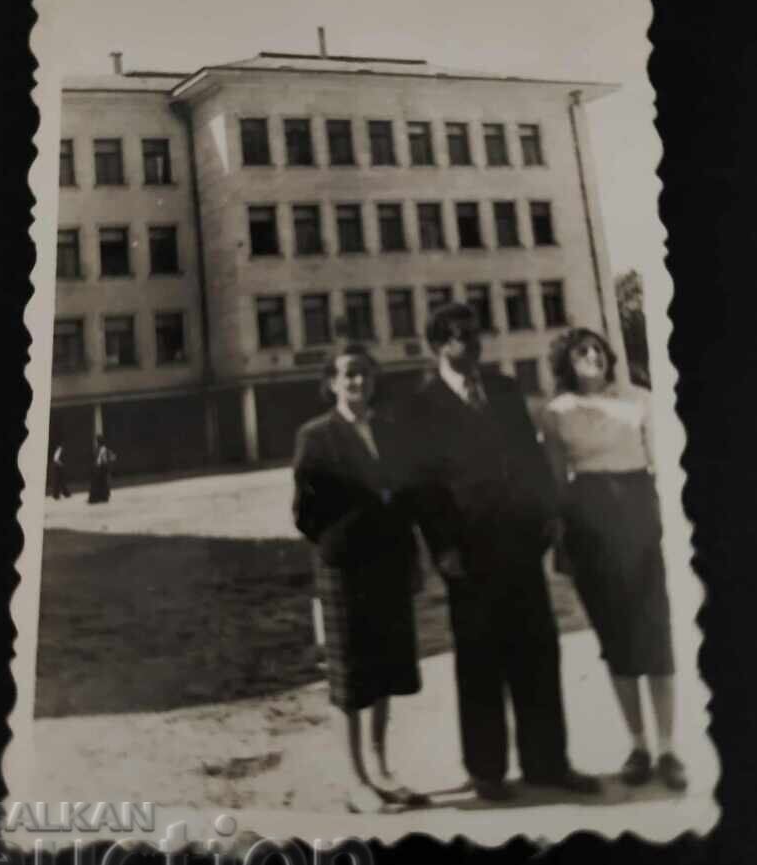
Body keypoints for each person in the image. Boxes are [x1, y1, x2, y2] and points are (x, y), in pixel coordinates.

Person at [408, 303, 600, 803]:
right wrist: (443, 546)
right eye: (456, 337)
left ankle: (548, 763)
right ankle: (487, 771)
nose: (469, 345)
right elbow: (424, 487)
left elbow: (532, 459)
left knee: (537, 651)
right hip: (467, 554)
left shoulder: (504, 389)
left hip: (519, 543)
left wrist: (550, 516)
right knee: (479, 660)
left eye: (473, 335)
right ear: (437, 346)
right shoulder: (421, 406)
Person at [539, 327, 687, 792]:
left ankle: (667, 749)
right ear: (567, 361)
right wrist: (563, 539)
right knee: (617, 637)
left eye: (598, 350)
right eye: (581, 351)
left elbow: (664, 460)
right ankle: (638, 746)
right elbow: (558, 483)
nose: (592, 356)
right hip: (590, 522)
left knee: (655, 633)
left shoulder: (638, 398)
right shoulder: (556, 411)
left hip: (639, 510)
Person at [292, 343, 429, 814]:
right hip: (345, 568)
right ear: (331, 382)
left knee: (386, 669)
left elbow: (407, 496)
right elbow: (306, 513)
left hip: (390, 565)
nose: (357, 382)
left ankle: (382, 770)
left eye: (365, 374)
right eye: (348, 375)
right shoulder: (316, 436)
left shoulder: (391, 429)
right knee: (349, 679)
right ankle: (355, 782)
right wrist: (347, 537)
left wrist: (409, 553)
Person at [87, 434, 116, 504]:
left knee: (98, 483)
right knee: (101, 483)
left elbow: (112, 457)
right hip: (100, 467)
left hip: (102, 468)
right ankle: (102, 497)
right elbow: (113, 457)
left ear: (99, 442)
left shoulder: (103, 449)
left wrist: (106, 462)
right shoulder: (101, 449)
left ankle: (97, 498)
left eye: (97, 441)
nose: (96, 443)